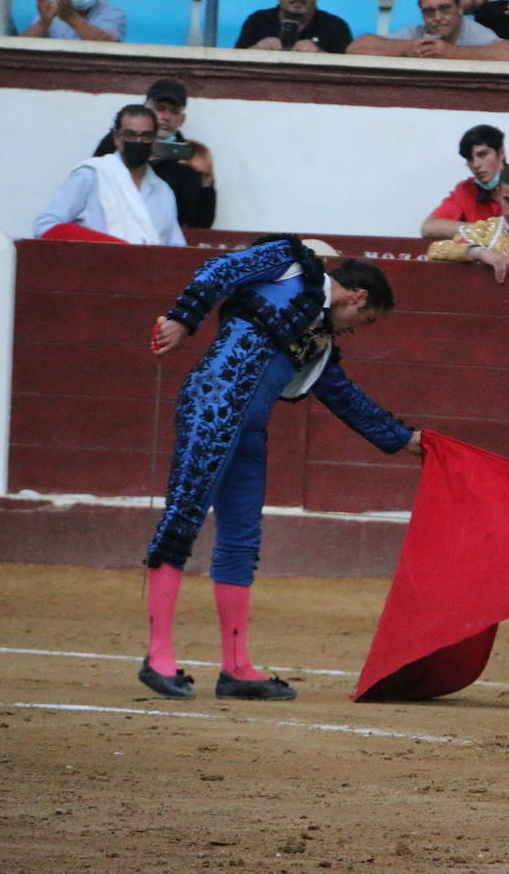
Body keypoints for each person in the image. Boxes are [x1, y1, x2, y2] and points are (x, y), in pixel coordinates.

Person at [141, 239, 422, 700]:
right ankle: (158, 657)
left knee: (242, 540)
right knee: (181, 523)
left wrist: (402, 439)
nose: (354, 331)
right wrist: (182, 320)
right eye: (363, 321)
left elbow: (345, 398)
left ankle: (236, 668)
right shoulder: (290, 262)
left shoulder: (319, 341)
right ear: (359, 296)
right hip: (211, 406)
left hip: (249, 431)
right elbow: (217, 270)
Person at [33, 105, 186, 246]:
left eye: (145, 136)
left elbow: (176, 247)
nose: (138, 141)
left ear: (153, 139)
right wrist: (108, 244)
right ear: (117, 136)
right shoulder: (92, 174)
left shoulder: (163, 191)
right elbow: (46, 226)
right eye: (130, 135)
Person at [92, 79, 216, 229]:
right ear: (146, 109)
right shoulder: (117, 141)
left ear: (182, 119)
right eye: (160, 108)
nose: (166, 117)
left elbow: (201, 225)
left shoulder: (189, 157)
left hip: (163, 243)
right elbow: (93, 188)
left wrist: (205, 181)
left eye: (174, 111)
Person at [420, 123, 509, 238]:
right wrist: (483, 231)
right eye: (470, 159)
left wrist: (479, 234)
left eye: (482, 154)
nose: (476, 165)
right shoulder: (465, 189)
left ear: (501, 153)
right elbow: (428, 227)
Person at [346, 0, 509, 62]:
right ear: (422, 15)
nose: (437, 18)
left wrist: (450, 53)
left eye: (444, 9)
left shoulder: (474, 32)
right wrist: (407, 48)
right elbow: (356, 48)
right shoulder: (417, 34)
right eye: (429, 12)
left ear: (459, 9)